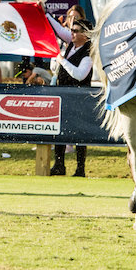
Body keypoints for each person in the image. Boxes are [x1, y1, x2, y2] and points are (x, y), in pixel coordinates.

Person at [46, 15, 93, 177]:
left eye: (75, 31)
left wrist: (62, 61)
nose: (71, 33)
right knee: (59, 130)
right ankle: (59, 164)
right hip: (64, 94)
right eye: (71, 31)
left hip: (79, 97)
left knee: (80, 132)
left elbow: (80, 75)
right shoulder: (72, 44)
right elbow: (59, 30)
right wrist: (44, 13)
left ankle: (80, 168)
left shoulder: (88, 52)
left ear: (85, 35)